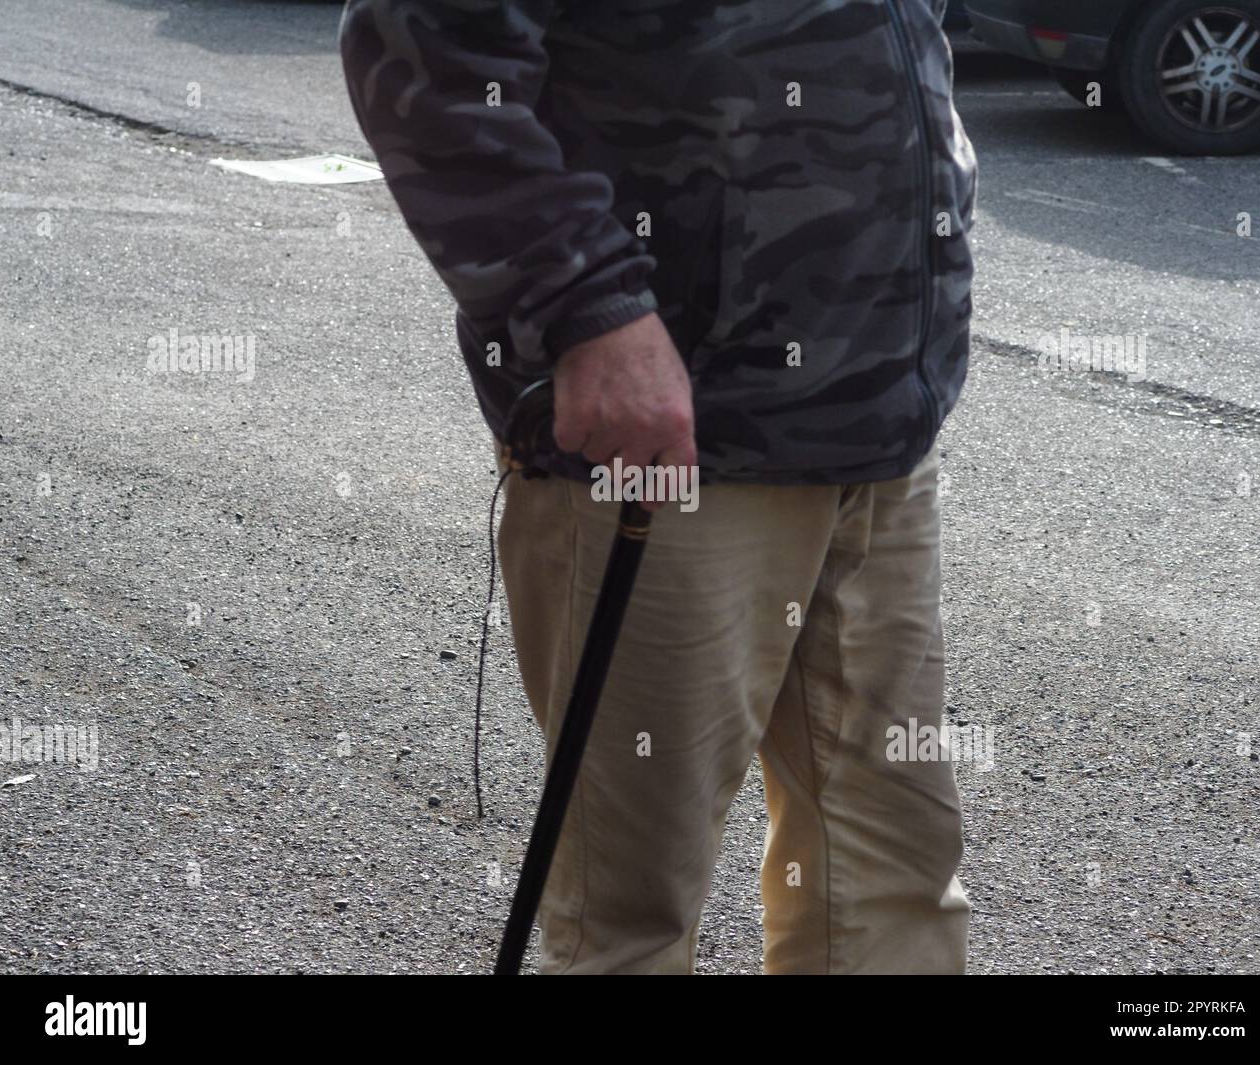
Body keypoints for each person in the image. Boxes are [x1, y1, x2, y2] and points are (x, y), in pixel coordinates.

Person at [341, 0, 978, 974]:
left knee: (892, 875)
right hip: (669, 435)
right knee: (628, 917)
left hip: (877, 415)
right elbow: (423, 50)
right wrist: (587, 310)